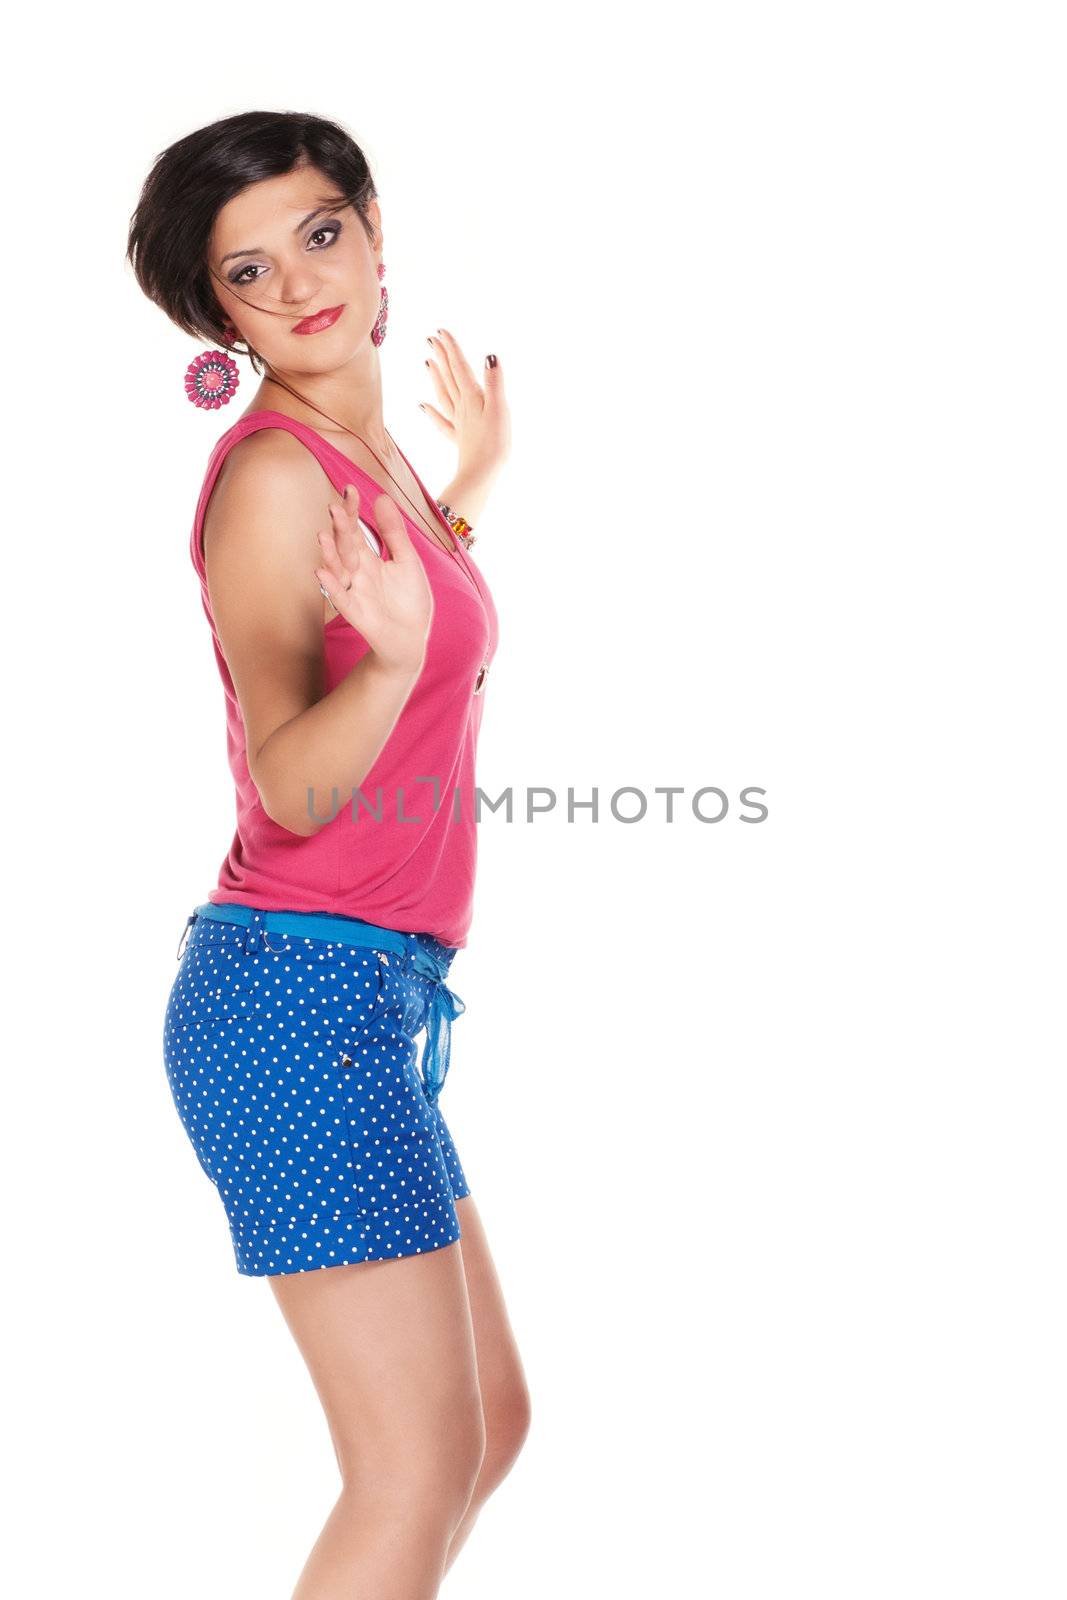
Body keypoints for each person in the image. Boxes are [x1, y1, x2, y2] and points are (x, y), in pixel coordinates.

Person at [127, 109, 529, 1599]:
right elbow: (297, 786)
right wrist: (384, 667)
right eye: (248, 273)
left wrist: (465, 490)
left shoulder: (371, 460)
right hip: (294, 1007)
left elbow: (411, 637)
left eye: (319, 234)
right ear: (213, 313)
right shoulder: (277, 481)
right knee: (413, 1462)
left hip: (362, 1003)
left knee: (488, 1435)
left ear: (372, 232)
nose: (300, 285)